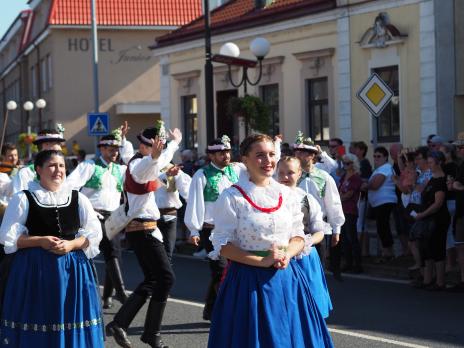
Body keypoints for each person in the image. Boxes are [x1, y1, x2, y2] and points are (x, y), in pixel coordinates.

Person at [208, 134, 333, 347]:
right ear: (245, 159)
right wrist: (261, 261)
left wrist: (286, 254)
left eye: (271, 154)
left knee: (292, 336)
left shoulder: (288, 195)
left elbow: (298, 236)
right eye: (260, 155)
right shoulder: (232, 197)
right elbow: (223, 246)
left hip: (288, 277)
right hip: (248, 281)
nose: (268, 161)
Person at [0, 150, 103, 347]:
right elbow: (7, 236)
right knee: (40, 315)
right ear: (39, 169)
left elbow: (93, 235)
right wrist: (39, 241)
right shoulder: (23, 198)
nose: (58, 170)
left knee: (71, 318)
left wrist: (72, 244)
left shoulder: (78, 198)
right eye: (52, 165)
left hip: (74, 270)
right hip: (34, 270)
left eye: (62, 165)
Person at [106, 123, 182, 348]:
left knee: (153, 279)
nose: (158, 149)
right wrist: (159, 156)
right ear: (144, 146)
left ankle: (124, 325)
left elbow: (160, 161)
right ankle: (147, 332)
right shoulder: (140, 164)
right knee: (166, 278)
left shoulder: (147, 162)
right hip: (142, 229)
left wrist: (173, 145)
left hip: (147, 229)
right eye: (154, 145)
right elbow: (151, 165)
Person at [66, 128, 130, 309]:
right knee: (110, 250)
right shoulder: (89, 166)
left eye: (117, 149)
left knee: (115, 253)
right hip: (93, 214)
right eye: (110, 149)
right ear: (101, 149)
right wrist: (83, 209)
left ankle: (108, 295)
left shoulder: (121, 169)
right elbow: (71, 186)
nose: (115, 153)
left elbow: (139, 175)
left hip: (114, 216)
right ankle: (121, 292)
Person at [185, 135, 239, 321]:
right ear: (211, 155)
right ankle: (225, 309)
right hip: (212, 230)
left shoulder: (237, 170)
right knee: (219, 268)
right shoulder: (202, 175)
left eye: (227, 152)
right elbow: (195, 203)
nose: (226, 156)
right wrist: (193, 230)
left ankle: (211, 307)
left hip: (235, 230)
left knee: (232, 270)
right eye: (221, 153)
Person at [276, 156, 332, 318]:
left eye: (290, 173)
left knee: (308, 308)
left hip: (303, 257)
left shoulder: (307, 198)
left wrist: (307, 242)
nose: (285, 177)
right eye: (281, 173)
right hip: (278, 255)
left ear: (299, 173)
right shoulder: (269, 197)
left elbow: (319, 230)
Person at [293, 133, 345, 280]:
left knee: (316, 272)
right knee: (296, 273)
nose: (297, 154)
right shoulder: (289, 176)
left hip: (317, 231)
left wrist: (336, 229)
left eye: (302, 152)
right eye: (295, 151)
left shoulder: (324, 177)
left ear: (311, 155)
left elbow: (333, 203)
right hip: (294, 229)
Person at [411, 151, 449, 290]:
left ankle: (440, 282)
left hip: (438, 219)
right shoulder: (431, 179)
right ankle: (427, 279)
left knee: (437, 250)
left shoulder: (441, 180)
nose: (429, 165)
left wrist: (423, 214)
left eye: (432, 162)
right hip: (427, 218)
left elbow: (438, 203)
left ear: (439, 163)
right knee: (426, 249)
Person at [365, 146, 397, 261]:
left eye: (379, 156)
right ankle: (386, 253)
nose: (376, 158)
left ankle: (388, 253)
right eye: (374, 156)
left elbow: (375, 184)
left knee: (383, 227)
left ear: (385, 157)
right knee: (381, 227)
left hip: (385, 202)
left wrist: (365, 185)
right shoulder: (379, 169)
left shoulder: (386, 168)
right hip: (378, 203)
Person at [155, 163, 191, 261]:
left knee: (167, 255)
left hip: (170, 215)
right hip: (152, 217)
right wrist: (166, 175)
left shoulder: (174, 169)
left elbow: (187, 191)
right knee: (154, 255)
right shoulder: (148, 166)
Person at [12, 128, 65, 194]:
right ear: (46, 145)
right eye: (58, 143)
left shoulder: (60, 173)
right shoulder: (26, 173)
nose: (60, 148)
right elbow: (18, 200)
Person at [338, 153, 363, 273]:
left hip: (350, 210)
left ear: (354, 164)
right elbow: (340, 191)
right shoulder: (344, 177)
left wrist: (339, 198)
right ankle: (348, 263)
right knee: (344, 238)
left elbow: (349, 194)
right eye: (344, 163)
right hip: (342, 210)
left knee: (352, 237)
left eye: (348, 163)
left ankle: (357, 264)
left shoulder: (356, 178)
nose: (345, 165)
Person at [352, 141, 372, 257]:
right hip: (357, 197)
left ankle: (362, 251)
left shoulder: (364, 163)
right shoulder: (356, 162)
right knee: (359, 225)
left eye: (356, 149)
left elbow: (365, 179)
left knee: (361, 225)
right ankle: (363, 251)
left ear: (362, 150)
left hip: (362, 197)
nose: (354, 151)